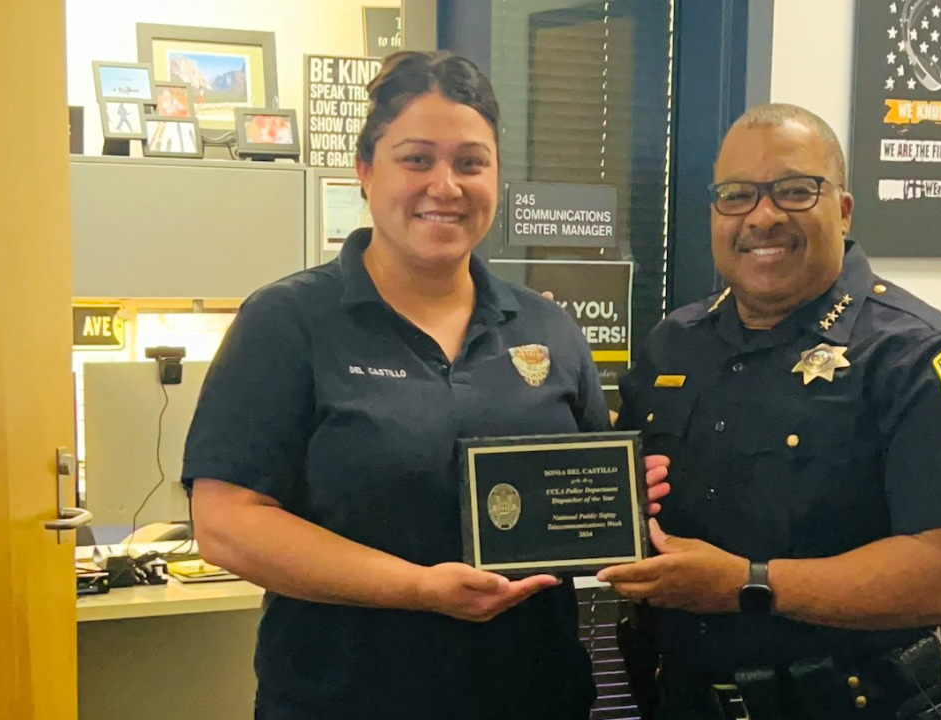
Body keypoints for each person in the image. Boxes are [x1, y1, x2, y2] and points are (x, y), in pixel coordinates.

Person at [182, 51, 670, 720]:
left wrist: (626, 499)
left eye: (471, 163)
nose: (446, 185)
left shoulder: (549, 328)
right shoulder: (287, 322)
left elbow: (584, 510)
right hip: (345, 701)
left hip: (534, 697)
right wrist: (417, 588)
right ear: (364, 170)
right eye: (417, 159)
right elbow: (227, 524)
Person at [597, 103, 941, 720]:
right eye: (737, 195)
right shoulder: (674, 343)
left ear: (843, 209)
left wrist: (747, 584)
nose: (762, 217)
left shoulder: (919, 358)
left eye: (794, 191)